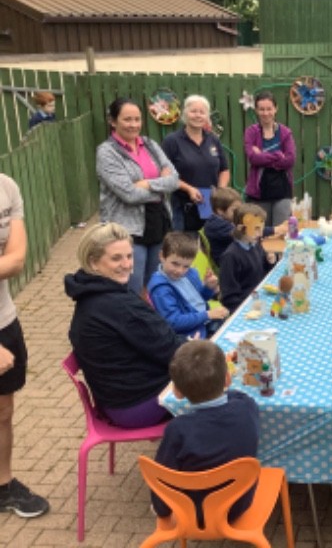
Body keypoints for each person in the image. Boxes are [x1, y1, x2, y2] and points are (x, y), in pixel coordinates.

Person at [65, 222, 185, 428]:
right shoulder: (116, 305)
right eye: (116, 258)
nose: (127, 264)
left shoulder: (92, 292)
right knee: (221, 384)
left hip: (118, 399)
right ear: (93, 262)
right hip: (136, 405)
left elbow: (158, 341)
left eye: (129, 256)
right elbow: (171, 350)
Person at [152, 340, 259, 524]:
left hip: (193, 513)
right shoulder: (246, 407)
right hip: (239, 505)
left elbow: (164, 479)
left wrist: (161, 510)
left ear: (177, 392)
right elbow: (238, 396)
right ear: (227, 379)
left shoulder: (177, 430)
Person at [0, 174, 49, 518]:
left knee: (3, 411)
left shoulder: (6, 187)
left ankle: (3, 486)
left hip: (4, 319)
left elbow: (16, 260)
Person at [96, 98, 179, 296]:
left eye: (137, 119)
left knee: (154, 286)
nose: (133, 125)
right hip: (127, 230)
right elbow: (129, 194)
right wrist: (161, 183)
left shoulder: (150, 145)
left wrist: (147, 184)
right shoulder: (107, 152)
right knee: (131, 287)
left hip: (158, 223)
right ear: (113, 121)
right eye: (127, 119)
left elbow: (174, 180)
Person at [162, 95, 230, 232]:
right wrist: (189, 189)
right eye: (193, 111)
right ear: (185, 113)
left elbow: (224, 170)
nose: (198, 115)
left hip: (210, 205)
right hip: (184, 207)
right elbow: (165, 174)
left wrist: (220, 191)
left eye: (202, 112)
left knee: (211, 242)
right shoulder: (172, 141)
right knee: (186, 244)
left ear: (207, 116)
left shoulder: (213, 140)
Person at [147, 232, 229, 339]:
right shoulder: (161, 289)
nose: (180, 271)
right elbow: (173, 322)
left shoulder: (191, 273)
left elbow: (200, 299)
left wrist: (208, 288)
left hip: (204, 322)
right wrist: (207, 315)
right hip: (189, 334)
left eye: (186, 266)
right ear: (162, 256)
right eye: (175, 264)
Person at [243, 91, 296, 227]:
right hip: (259, 194)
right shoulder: (251, 132)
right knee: (259, 232)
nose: (265, 113)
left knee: (281, 231)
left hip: (282, 192)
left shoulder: (285, 133)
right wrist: (278, 155)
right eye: (261, 109)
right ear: (256, 110)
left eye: (269, 109)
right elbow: (253, 158)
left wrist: (262, 155)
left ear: (275, 109)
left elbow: (290, 160)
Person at [204, 187, 287, 268]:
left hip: (240, 255)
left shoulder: (226, 219)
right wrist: (276, 229)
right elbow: (246, 232)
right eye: (234, 210)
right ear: (220, 211)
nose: (238, 212)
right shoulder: (215, 225)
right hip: (229, 263)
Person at [219, 204, 273, 312]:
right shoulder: (230, 256)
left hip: (259, 296)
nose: (261, 234)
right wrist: (249, 308)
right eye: (256, 228)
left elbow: (262, 271)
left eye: (261, 228)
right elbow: (229, 297)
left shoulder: (255, 244)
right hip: (244, 307)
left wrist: (270, 261)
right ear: (241, 228)